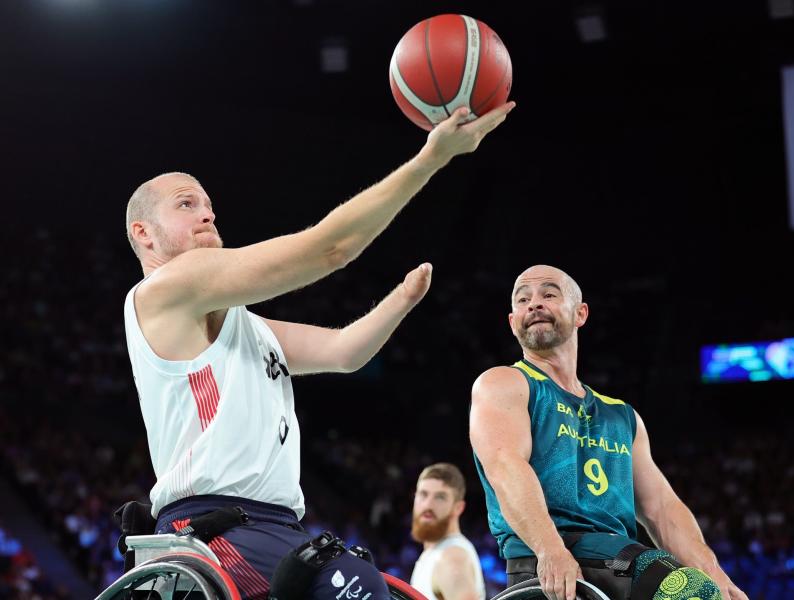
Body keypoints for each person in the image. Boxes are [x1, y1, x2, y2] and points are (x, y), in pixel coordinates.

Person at [121, 102, 515, 600]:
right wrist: (430, 159)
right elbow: (331, 248)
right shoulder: (162, 292)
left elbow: (345, 352)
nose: (207, 213)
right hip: (213, 531)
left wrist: (402, 300)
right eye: (185, 204)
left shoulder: (248, 326)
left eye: (209, 206)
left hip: (275, 526)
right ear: (143, 233)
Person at [469, 265, 747, 600]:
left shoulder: (622, 415)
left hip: (615, 558)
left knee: (704, 589)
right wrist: (550, 550)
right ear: (513, 322)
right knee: (686, 591)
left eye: (549, 294)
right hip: (549, 556)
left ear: (580, 314)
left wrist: (715, 575)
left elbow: (661, 507)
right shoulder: (504, 383)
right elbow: (505, 468)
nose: (534, 304)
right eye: (523, 299)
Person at [409, 463, 485, 600]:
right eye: (423, 494)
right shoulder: (435, 553)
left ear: (458, 508)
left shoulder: (451, 558)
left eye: (440, 497)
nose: (428, 504)